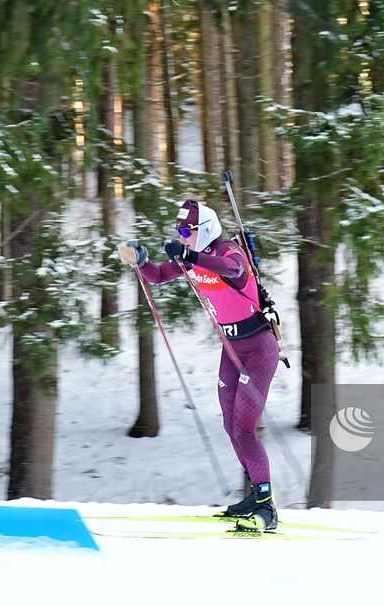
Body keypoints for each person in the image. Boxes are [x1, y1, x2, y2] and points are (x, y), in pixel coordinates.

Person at [118, 198, 281, 531]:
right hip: (232, 347)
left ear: (204, 230)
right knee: (231, 425)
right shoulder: (192, 258)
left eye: (185, 231)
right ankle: (254, 494)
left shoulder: (227, 251)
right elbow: (159, 276)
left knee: (245, 426)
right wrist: (142, 259)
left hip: (259, 349)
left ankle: (267, 507)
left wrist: (191, 256)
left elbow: (234, 270)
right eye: (179, 231)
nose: (182, 237)